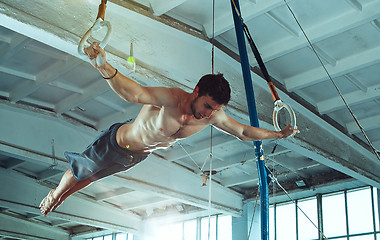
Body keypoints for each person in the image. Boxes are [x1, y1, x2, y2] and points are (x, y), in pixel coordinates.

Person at [39, 42, 299, 216]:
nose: (208, 113)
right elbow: (134, 93)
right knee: (79, 172)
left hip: (136, 156)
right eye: (207, 105)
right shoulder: (172, 98)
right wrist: (103, 65)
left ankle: (60, 197)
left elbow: (243, 132)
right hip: (118, 142)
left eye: (214, 110)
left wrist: (278, 134)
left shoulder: (212, 116)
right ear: (196, 91)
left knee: (92, 178)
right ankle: (54, 194)